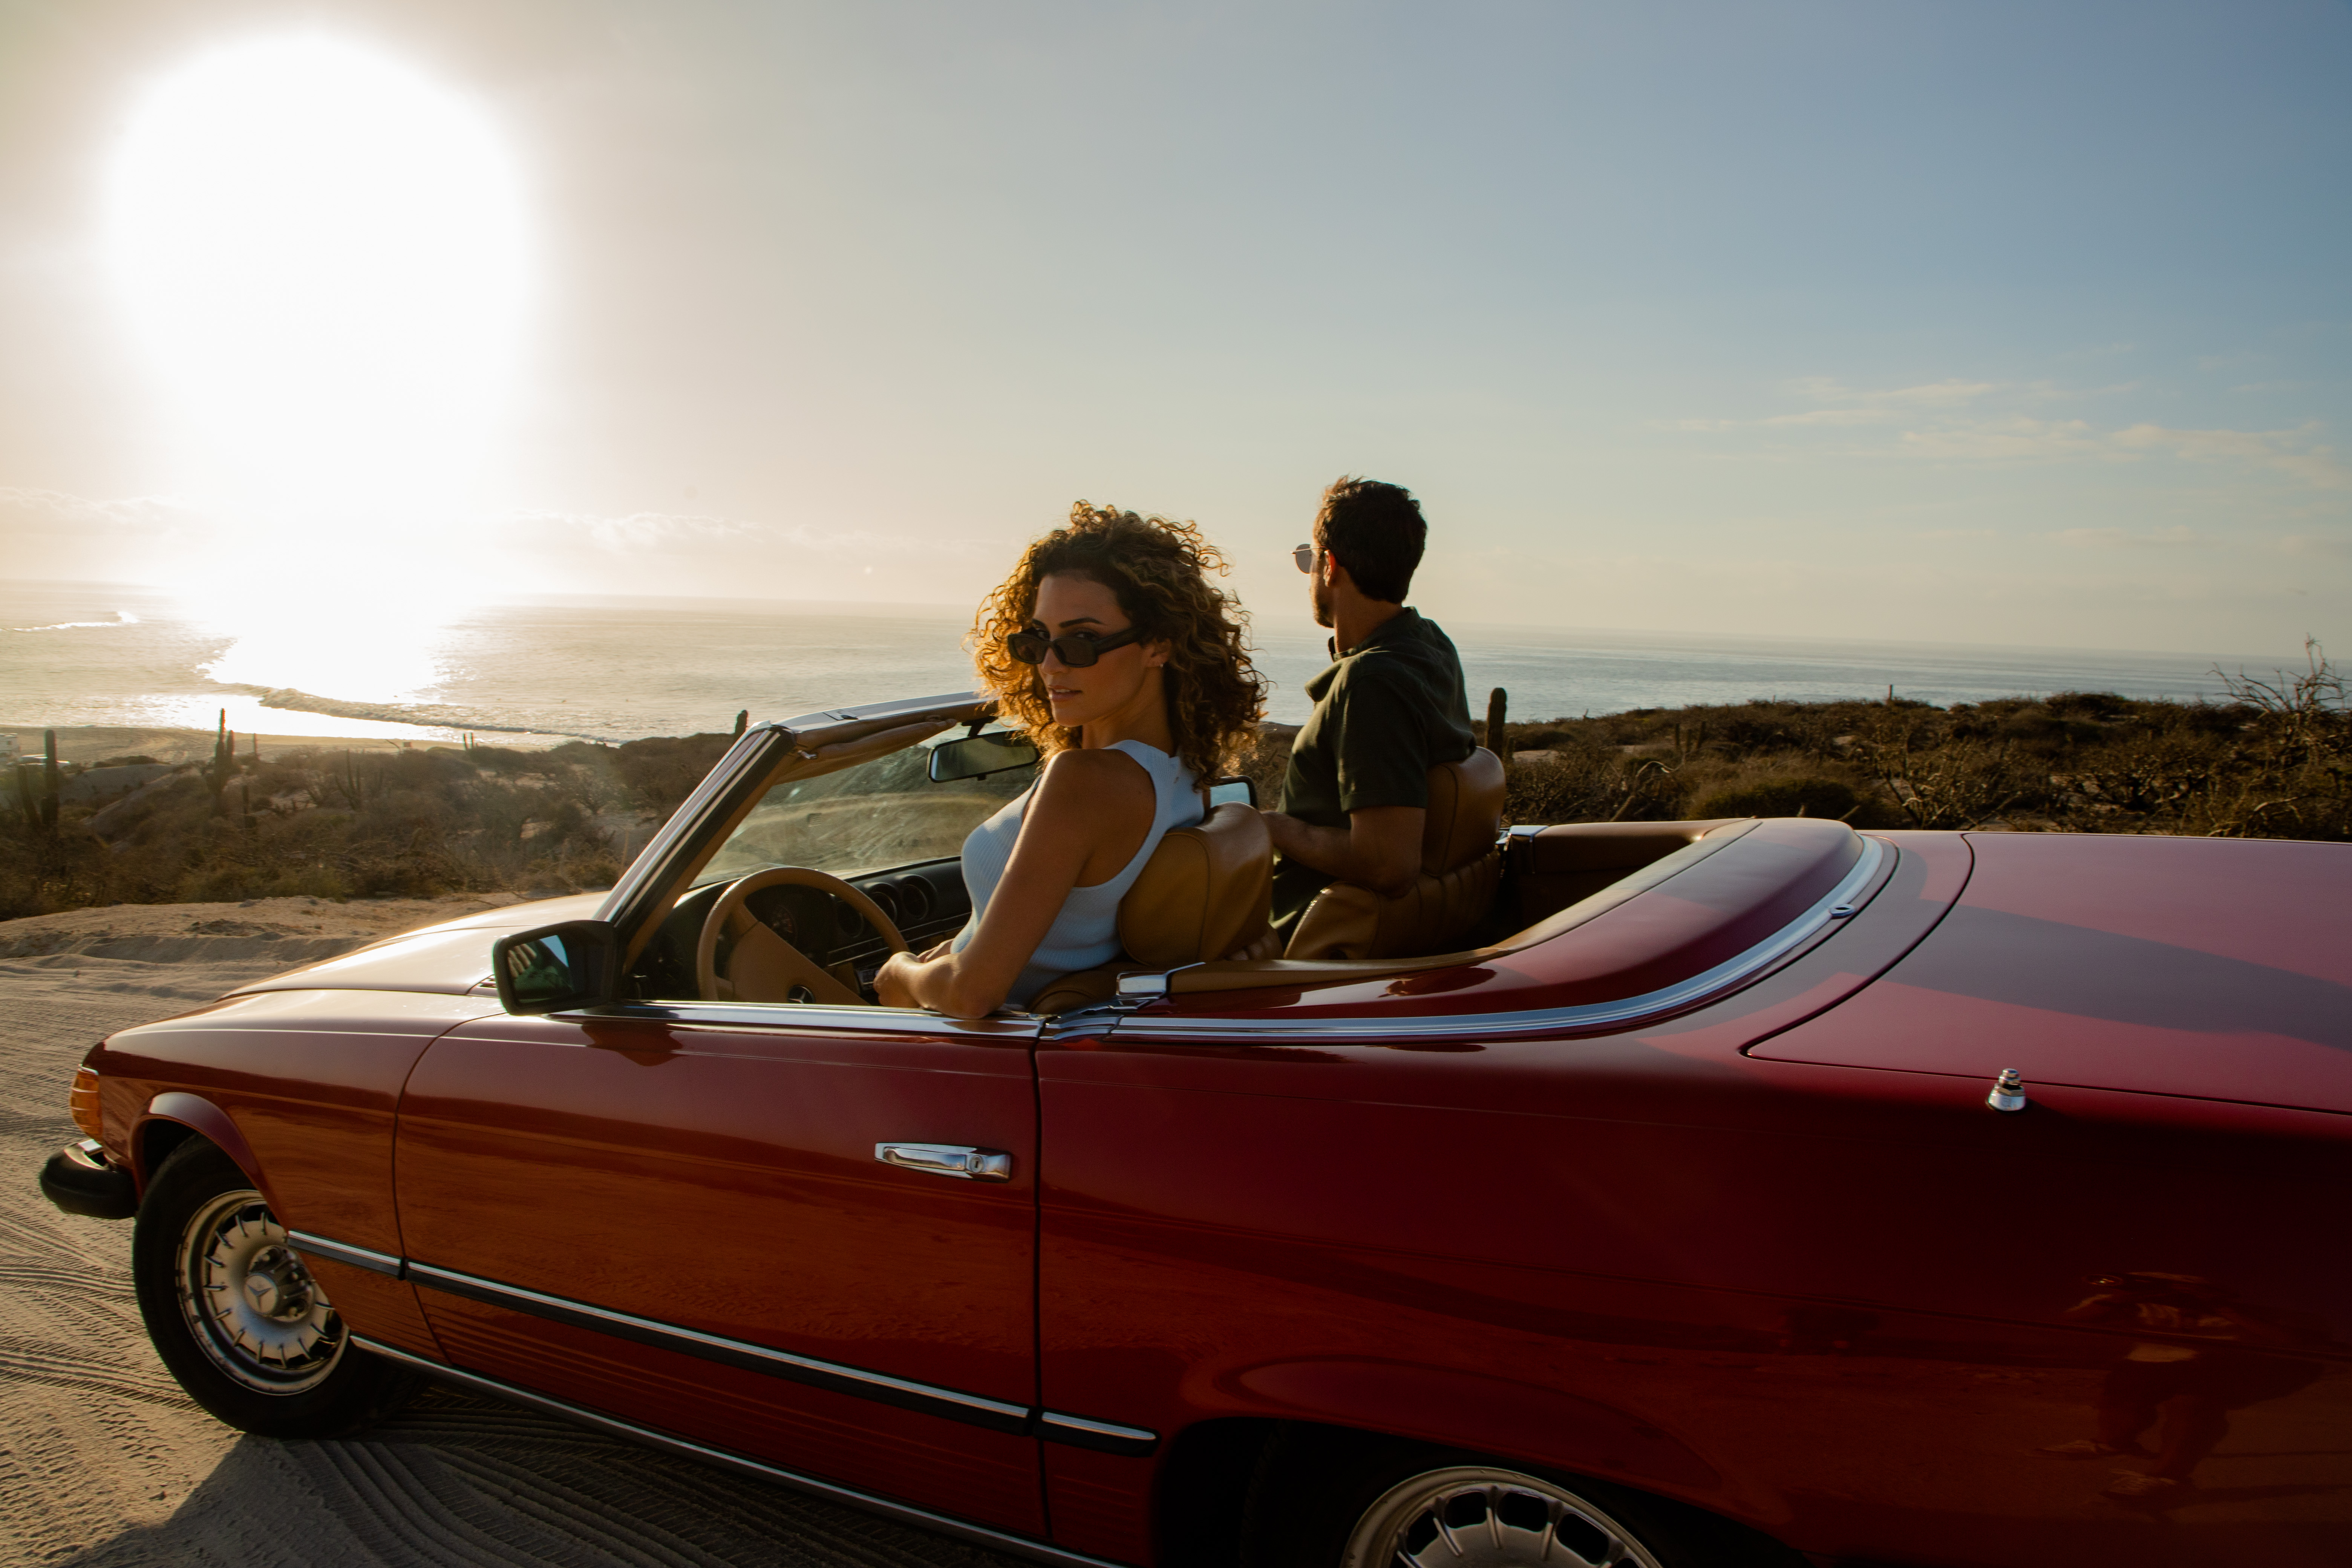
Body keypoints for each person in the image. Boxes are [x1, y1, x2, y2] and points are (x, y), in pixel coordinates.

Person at [876, 503, 1266, 1018]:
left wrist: (900, 973)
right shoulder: (1185, 777)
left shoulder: (1084, 782)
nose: (1051, 665)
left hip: (972, 1044)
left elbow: (973, 994)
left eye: (1083, 640)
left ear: (1159, 645)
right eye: (1039, 640)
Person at [1262, 476, 1476, 940]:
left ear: (1330, 564)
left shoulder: (1373, 684)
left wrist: (1273, 827)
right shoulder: (1430, 647)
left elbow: (1388, 864)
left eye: (1310, 560)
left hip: (1298, 945)